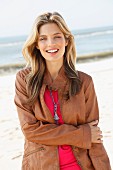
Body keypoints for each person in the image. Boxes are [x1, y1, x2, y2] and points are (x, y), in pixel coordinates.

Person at [14, 12, 111, 170]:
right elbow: (30, 130)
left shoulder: (84, 82)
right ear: (37, 44)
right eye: (43, 38)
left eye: (57, 36)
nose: (51, 43)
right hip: (42, 165)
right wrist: (81, 134)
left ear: (67, 40)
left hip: (82, 165)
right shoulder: (24, 80)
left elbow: (93, 133)